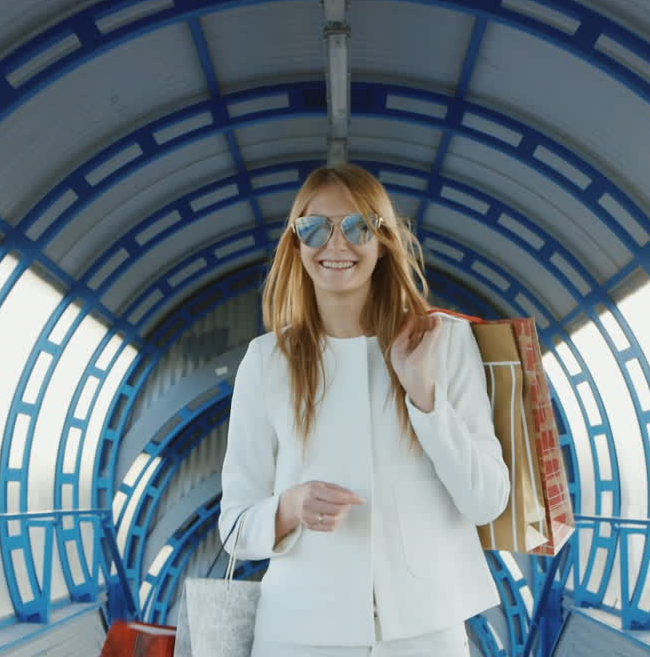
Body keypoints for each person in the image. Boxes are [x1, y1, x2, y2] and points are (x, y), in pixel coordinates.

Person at [216, 163, 510, 656]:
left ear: (383, 239)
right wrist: (289, 506)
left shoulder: (443, 342)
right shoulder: (268, 361)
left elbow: (486, 501)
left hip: (425, 635)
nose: (336, 244)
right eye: (314, 228)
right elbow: (235, 527)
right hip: (298, 635)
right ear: (296, 242)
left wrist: (424, 398)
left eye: (357, 226)